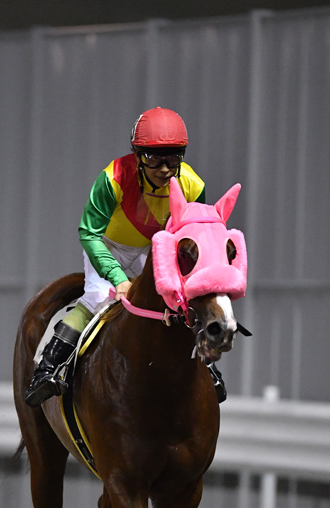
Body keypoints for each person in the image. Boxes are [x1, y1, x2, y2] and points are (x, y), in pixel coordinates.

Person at [25, 106, 226, 407]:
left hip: (155, 248)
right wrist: (118, 278)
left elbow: (191, 240)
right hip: (109, 245)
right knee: (97, 298)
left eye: (173, 158)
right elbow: (89, 233)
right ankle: (47, 368)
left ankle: (208, 366)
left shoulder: (193, 186)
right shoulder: (113, 178)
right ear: (137, 155)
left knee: (181, 301)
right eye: (154, 158)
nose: (164, 168)